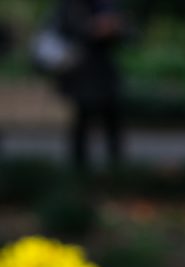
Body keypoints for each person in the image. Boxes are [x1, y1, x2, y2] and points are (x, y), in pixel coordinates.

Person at [55, 0, 126, 170]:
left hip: (105, 73)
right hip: (81, 73)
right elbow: (66, 28)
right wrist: (94, 28)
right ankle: (79, 169)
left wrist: (114, 28)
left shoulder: (109, 4)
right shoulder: (72, 5)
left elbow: (127, 30)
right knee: (83, 121)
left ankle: (116, 168)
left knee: (112, 121)